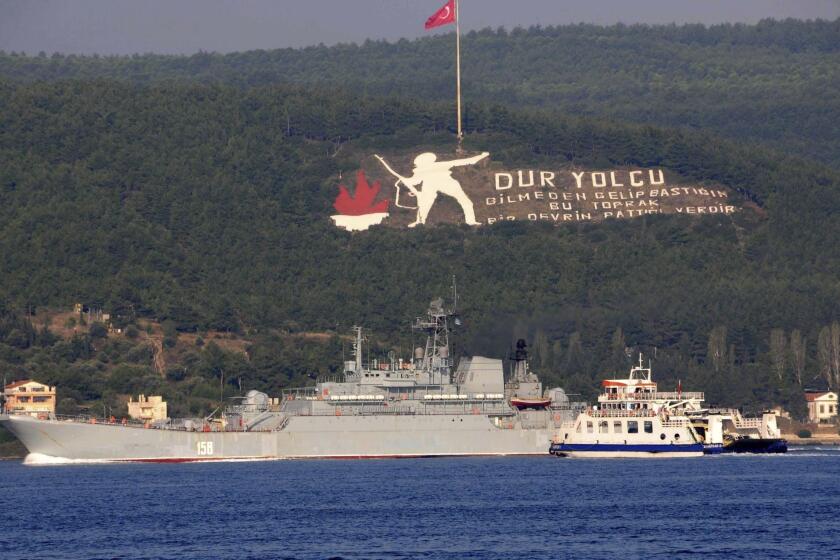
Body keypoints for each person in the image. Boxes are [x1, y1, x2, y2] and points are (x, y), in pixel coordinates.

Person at [376, 151, 489, 227]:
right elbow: (414, 181)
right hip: (431, 185)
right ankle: (419, 222)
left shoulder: (435, 167)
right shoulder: (420, 171)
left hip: (447, 183)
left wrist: (482, 156)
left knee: (466, 202)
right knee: (425, 204)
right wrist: (405, 181)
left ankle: (470, 222)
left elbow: (465, 161)